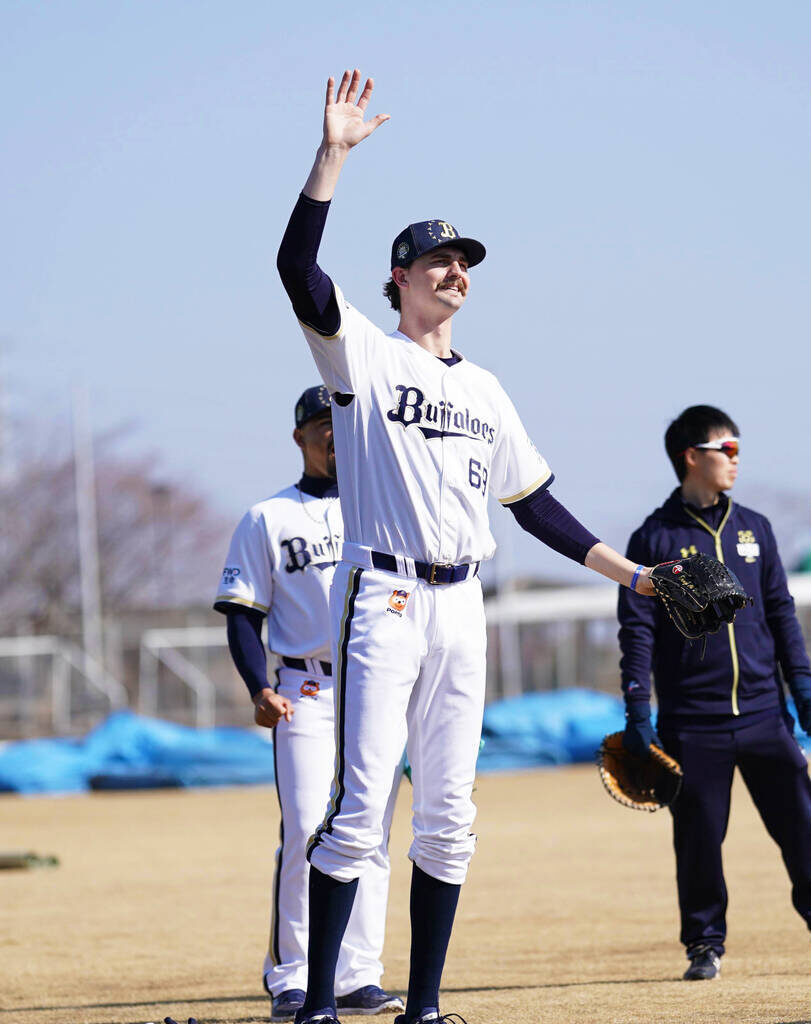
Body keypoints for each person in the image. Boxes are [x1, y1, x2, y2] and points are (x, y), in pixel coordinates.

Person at [276, 69, 661, 1024]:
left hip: (462, 608)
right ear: (397, 280)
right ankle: (320, 1004)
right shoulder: (362, 354)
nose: (453, 272)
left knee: (449, 818)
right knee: (361, 808)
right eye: (433, 260)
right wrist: (332, 157)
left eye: (462, 262)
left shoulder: (486, 389)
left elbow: (535, 505)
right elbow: (296, 272)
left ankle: (426, 1006)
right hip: (383, 599)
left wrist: (635, 575)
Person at [214, 385, 404, 1020]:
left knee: (370, 830)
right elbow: (243, 614)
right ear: (300, 436)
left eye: (342, 422)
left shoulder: (385, 512)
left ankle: (358, 973)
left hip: (376, 687)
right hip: (306, 691)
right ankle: (291, 973)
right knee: (304, 826)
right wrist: (256, 685)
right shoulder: (268, 517)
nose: (334, 432)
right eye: (323, 423)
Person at [617, 404, 811, 981]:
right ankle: (705, 944)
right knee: (699, 839)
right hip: (693, 722)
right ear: (691, 457)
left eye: (737, 448)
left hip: (762, 714)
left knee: (802, 827)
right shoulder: (654, 537)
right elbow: (638, 630)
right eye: (726, 448)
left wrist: (801, 685)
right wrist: (638, 708)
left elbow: (780, 611)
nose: (735, 458)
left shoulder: (756, 528)